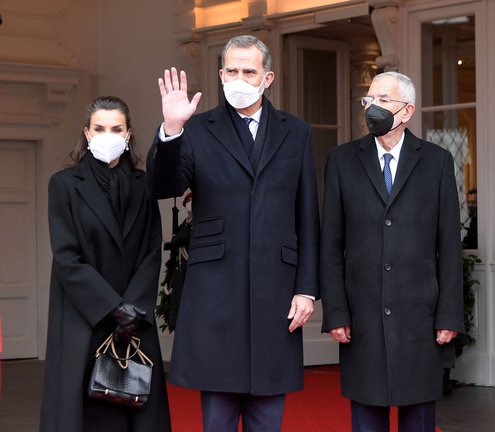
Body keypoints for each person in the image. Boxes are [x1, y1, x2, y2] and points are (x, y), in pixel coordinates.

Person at [148, 34, 320, 431]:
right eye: (231, 70)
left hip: (277, 290)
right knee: (219, 416)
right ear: (220, 74)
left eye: (249, 70)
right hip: (215, 291)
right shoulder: (196, 128)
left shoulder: (296, 131)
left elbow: (307, 214)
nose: (239, 78)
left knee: (267, 414)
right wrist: (171, 130)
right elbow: (163, 187)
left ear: (268, 77)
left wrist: (306, 288)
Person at [320, 71, 464, 432]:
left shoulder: (437, 162)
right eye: (369, 100)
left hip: (420, 317)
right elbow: (331, 243)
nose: (373, 107)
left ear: (407, 110)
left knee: (418, 416)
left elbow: (448, 246)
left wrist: (449, 314)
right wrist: (336, 311)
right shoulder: (341, 161)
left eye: (383, 100)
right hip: (361, 314)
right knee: (367, 416)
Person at [40, 96, 171, 432]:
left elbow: (151, 250)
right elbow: (67, 257)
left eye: (116, 128)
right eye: (99, 128)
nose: (107, 135)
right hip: (85, 316)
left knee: (138, 411)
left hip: (134, 317)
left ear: (128, 135)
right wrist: (113, 307)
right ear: (86, 133)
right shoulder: (64, 184)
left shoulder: (144, 185)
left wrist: (132, 308)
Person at [158, 191, 193, 332]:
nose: (190, 205)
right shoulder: (183, 226)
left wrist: (176, 240)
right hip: (181, 269)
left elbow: (182, 239)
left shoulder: (197, 227)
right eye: (188, 202)